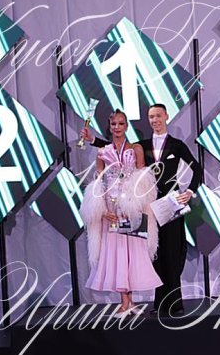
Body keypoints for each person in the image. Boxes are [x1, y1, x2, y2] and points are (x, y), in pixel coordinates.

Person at [82, 104, 201, 315]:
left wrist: (190, 191)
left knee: (174, 252)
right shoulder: (141, 145)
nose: (155, 120)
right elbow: (116, 146)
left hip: (170, 204)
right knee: (154, 253)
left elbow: (196, 167)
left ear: (166, 116)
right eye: (151, 117)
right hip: (147, 205)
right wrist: (93, 141)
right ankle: (159, 304)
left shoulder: (177, 145)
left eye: (158, 116)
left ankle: (175, 304)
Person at [80, 110, 161, 316]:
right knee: (116, 253)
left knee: (132, 253)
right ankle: (124, 303)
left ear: (126, 126)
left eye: (121, 123)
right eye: (114, 124)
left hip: (131, 207)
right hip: (111, 208)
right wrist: (102, 210)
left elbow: (143, 178)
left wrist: (134, 204)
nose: (117, 127)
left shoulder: (136, 149)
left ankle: (130, 302)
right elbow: (98, 182)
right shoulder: (102, 151)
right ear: (110, 126)